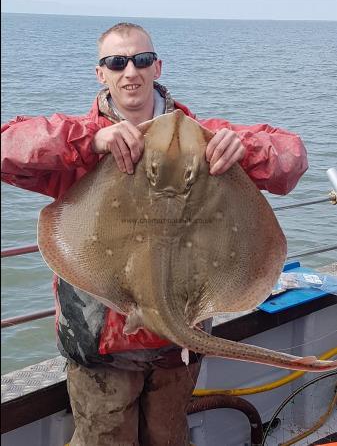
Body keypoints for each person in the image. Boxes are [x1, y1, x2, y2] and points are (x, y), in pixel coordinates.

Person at [1, 22, 308, 446]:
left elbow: (292, 158)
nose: (131, 71)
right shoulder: (81, 144)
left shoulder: (203, 137)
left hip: (176, 353)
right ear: (101, 73)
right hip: (102, 353)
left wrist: (243, 147)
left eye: (141, 60)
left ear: (157, 66)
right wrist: (92, 142)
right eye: (117, 61)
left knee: (168, 438)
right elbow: (6, 149)